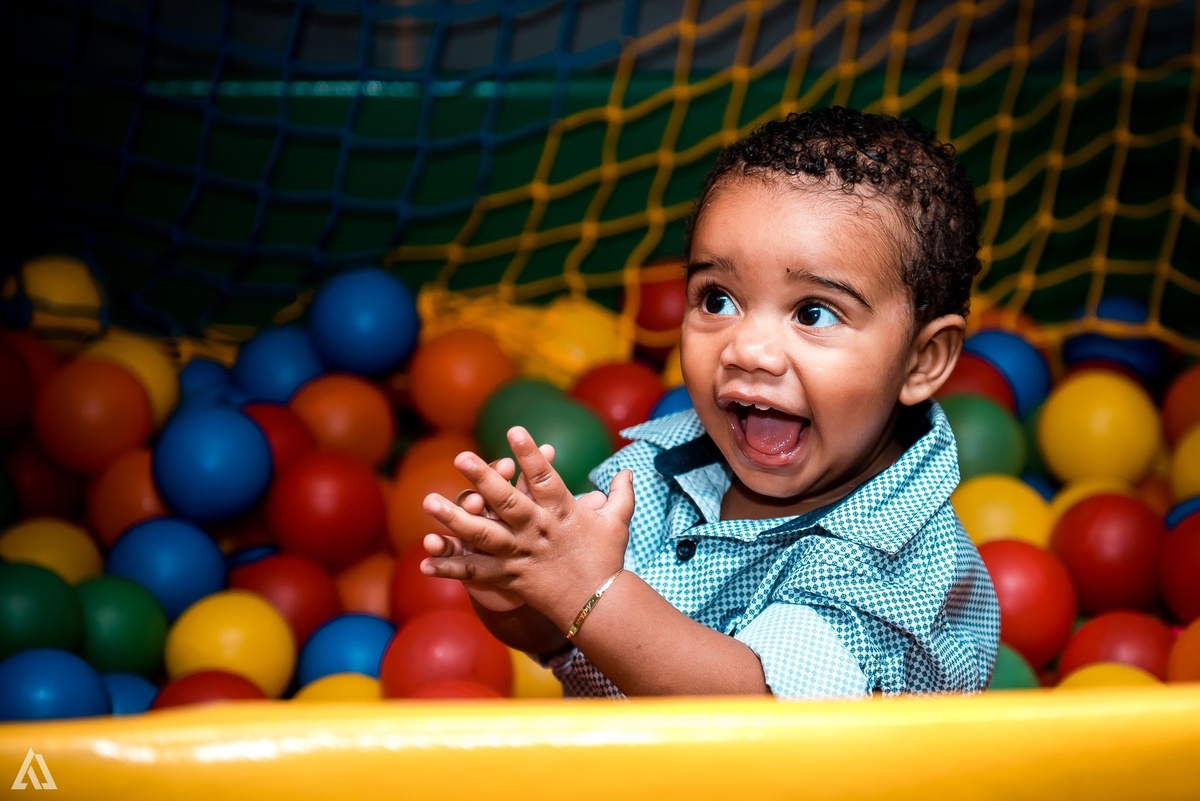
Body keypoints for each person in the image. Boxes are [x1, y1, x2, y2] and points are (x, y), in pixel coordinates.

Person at [420, 105, 1001, 699]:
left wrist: (588, 592)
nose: (746, 349)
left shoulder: (898, 568)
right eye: (718, 299)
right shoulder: (655, 472)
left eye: (813, 313)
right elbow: (562, 639)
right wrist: (518, 585)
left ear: (922, 361)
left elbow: (758, 720)